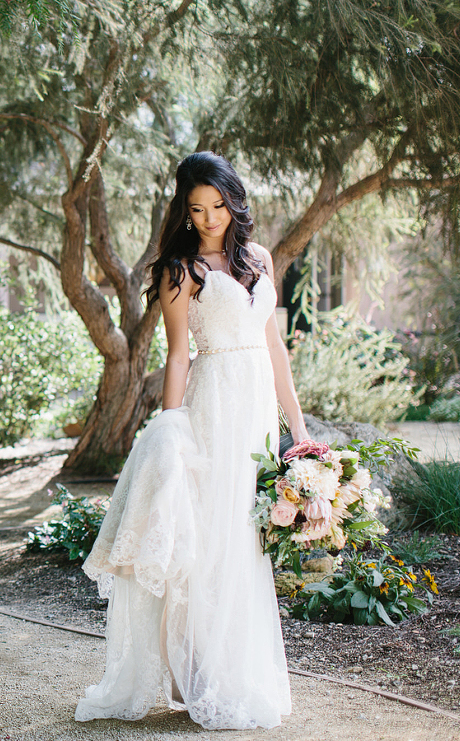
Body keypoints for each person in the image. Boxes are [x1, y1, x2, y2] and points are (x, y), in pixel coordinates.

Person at [74, 152, 307, 730]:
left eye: (218, 206)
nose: (208, 219)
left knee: (242, 539)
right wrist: (171, 430)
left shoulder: (258, 257)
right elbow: (178, 355)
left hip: (254, 414)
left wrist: (297, 432)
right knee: (206, 536)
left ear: (235, 200)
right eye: (197, 209)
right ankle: (191, 674)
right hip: (212, 407)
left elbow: (274, 348)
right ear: (184, 209)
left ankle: (228, 667)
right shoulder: (181, 269)